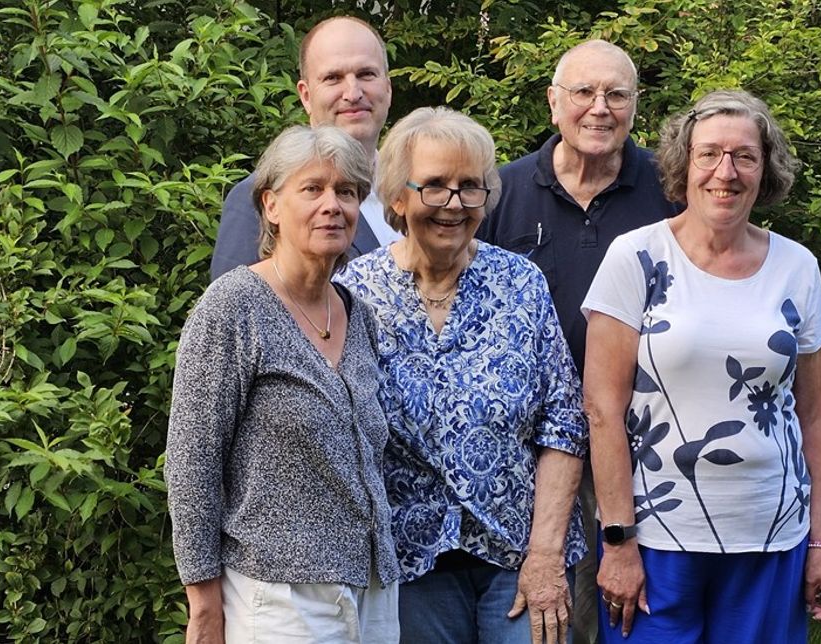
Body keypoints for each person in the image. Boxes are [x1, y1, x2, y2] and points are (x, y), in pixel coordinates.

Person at [581, 89, 821, 643]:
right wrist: (618, 540)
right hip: (657, 539)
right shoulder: (636, 257)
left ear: (765, 168)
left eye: (744, 156)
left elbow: (817, 413)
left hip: (771, 536)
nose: (725, 172)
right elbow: (603, 407)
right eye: (709, 155)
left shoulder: (798, 267)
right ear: (685, 163)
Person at [338, 106, 587, 644]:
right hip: (411, 563)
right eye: (435, 186)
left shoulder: (520, 282)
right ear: (398, 198)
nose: (453, 204)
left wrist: (545, 555)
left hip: (520, 556)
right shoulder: (357, 291)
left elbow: (564, 423)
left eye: (469, 186)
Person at [477, 40, 679, 644]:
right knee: (547, 604)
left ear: (636, 105)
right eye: (584, 93)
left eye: (616, 94)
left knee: (631, 603)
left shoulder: (668, 190)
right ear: (553, 103)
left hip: (642, 437)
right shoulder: (500, 191)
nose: (600, 108)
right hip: (531, 443)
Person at [166, 125, 400, 644]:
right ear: (271, 205)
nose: (332, 205)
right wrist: (203, 603)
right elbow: (191, 462)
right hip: (277, 597)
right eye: (312, 189)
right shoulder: (233, 307)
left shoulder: (357, 314)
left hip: (374, 590)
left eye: (346, 192)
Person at [210, 16, 399, 281]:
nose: (353, 93)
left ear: (388, 88)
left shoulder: (425, 192)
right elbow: (232, 314)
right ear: (306, 95)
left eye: (366, 74)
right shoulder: (259, 198)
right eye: (333, 78)